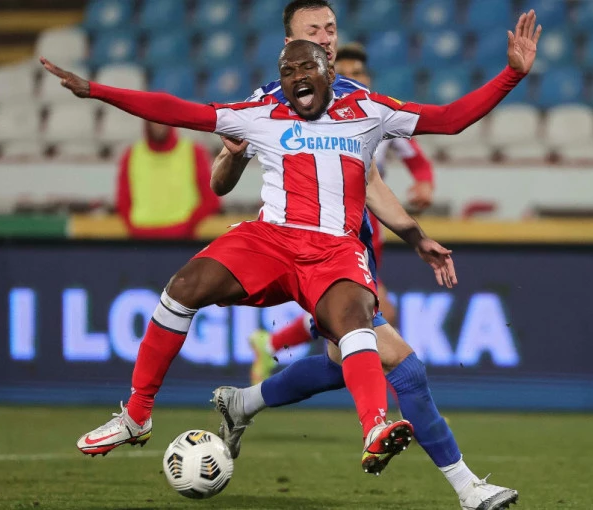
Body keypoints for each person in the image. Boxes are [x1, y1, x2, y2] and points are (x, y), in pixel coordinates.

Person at [40, 39, 465, 475]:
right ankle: (138, 414)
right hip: (277, 241)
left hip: (341, 245)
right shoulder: (263, 107)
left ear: (329, 67)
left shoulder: (370, 110)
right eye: (290, 68)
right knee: (185, 288)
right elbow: (179, 113)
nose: (301, 72)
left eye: (319, 51)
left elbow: (432, 136)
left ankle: (356, 421)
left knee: (353, 341)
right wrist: (97, 91)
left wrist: (416, 229)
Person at [209, 1, 540, 508]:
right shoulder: (267, 104)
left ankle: (243, 402)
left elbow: (373, 181)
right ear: (289, 44)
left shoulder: (356, 101)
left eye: (330, 28)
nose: (325, 37)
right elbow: (218, 182)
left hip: (353, 251)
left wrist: (414, 235)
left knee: (341, 361)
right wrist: (231, 159)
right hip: (310, 259)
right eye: (313, 29)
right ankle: (468, 488)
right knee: (405, 369)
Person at [248, 41, 436, 385]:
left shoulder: (379, 114)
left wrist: (424, 183)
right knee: (370, 312)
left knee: (351, 316)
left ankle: (272, 349)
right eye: (346, 73)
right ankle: (395, 398)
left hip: (370, 222)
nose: (354, 78)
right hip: (332, 223)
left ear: (369, 77)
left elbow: (417, 160)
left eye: (358, 72)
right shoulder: (321, 115)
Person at [116, 120, 220, 239]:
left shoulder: (194, 152)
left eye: (161, 119)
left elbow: (211, 199)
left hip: (181, 241)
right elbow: (123, 200)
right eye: (153, 120)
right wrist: (133, 228)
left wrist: (188, 226)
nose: (158, 125)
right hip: (141, 239)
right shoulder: (131, 154)